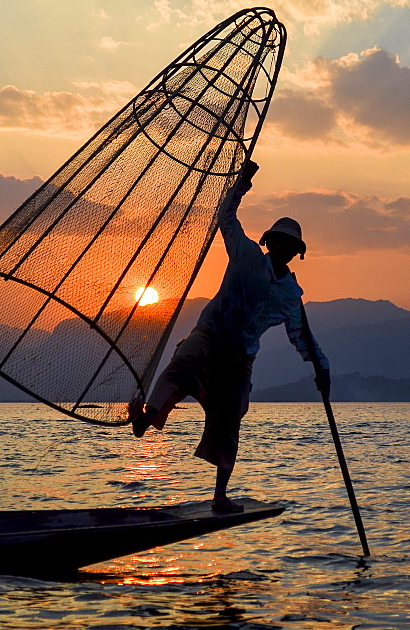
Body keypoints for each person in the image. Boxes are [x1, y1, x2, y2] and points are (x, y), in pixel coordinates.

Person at [131, 159, 330, 513]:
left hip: (239, 357)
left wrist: (322, 370)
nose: (282, 248)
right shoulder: (246, 253)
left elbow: (303, 338)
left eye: (290, 245)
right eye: (279, 241)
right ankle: (147, 418)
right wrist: (241, 182)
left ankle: (220, 495)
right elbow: (225, 216)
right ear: (269, 242)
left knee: (230, 418)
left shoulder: (289, 293)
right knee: (182, 363)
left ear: (296, 253)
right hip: (209, 335)